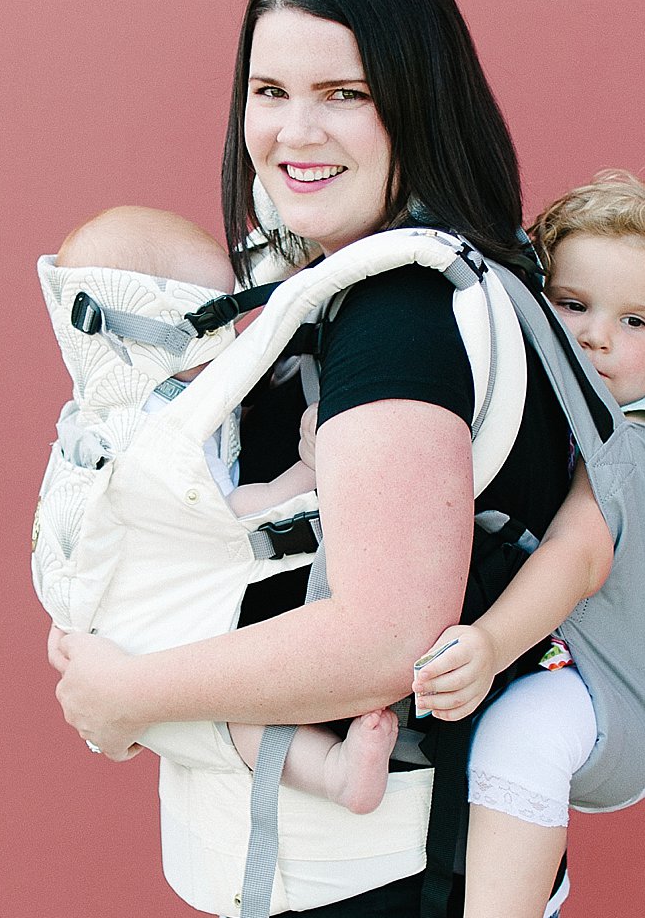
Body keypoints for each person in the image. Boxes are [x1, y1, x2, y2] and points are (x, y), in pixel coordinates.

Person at [49, 0, 611, 918]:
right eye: (269, 89)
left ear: (415, 99)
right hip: (443, 888)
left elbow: (381, 630)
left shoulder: (392, 323)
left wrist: (129, 688)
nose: (292, 130)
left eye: (343, 93)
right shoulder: (479, 275)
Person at [361, 171, 645, 918]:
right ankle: (526, 898)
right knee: (501, 745)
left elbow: (579, 555)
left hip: (622, 698)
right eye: (573, 303)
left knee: (518, 734)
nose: (597, 335)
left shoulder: (637, 432)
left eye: (635, 321)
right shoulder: (556, 405)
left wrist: (486, 642)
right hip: (582, 672)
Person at [53, 200, 402, 811]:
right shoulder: (166, 428)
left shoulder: (109, 409)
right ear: (154, 329)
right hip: (154, 627)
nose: (232, 334)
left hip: (105, 618)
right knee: (234, 701)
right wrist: (308, 471)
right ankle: (333, 773)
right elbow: (227, 512)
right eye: (214, 318)